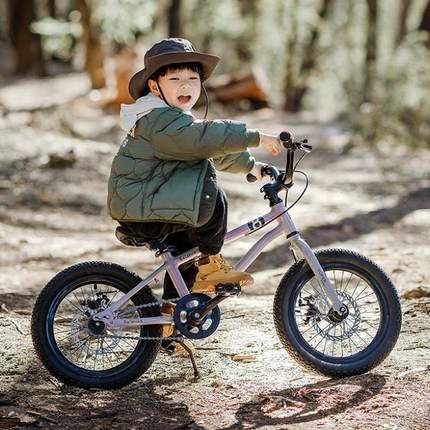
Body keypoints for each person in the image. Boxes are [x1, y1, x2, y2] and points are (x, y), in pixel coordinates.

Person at [107, 38, 282, 351]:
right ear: (155, 86)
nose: (185, 85)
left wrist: (251, 167)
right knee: (209, 194)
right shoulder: (158, 120)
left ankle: (168, 325)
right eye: (174, 79)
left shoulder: (172, 120)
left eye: (193, 79)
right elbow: (203, 139)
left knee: (186, 257)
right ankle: (212, 263)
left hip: (149, 202)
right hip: (141, 205)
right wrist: (255, 136)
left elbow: (209, 149)